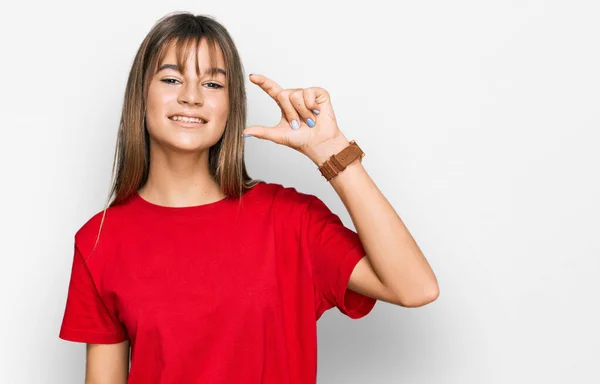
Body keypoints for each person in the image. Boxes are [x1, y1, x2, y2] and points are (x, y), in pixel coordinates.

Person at [58, 11, 439, 384]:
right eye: (172, 79)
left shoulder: (291, 219)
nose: (191, 97)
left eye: (212, 84)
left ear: (230, 106)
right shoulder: (100, 239)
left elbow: (415, 288)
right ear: (141, 95)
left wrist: (331, 152)